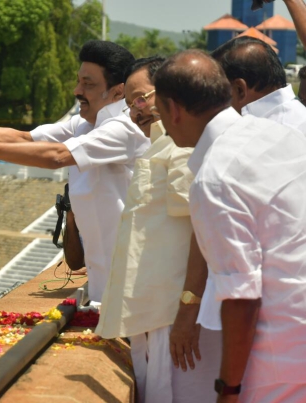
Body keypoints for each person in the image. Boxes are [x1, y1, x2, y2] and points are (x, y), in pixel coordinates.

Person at [0, 41, 150, 304]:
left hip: (132, 289)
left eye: (88, 84)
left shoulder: (124, 128)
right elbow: (23, 138)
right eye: (78, 82)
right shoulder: (86, 124)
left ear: (118, 92)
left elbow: (56, 156)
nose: (77, 91)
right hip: (106, 285)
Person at [154, 49, 306, 402]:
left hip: (282, 355)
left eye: (159, 112)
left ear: (173, 110)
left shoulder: (215, 178)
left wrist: (228, 389)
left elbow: (242, 298)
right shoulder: (280, 135)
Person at [95, 56, 221, 403]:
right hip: (157, 314)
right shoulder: (162, 143)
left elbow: (203, 229)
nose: (136, 110)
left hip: (175, 315)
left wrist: (187, 310)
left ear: (168, 95)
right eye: (130, 103)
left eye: (142, 97)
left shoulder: (184, 145)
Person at [211, 36, 306, 134]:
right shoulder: (297, 117)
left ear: (240, 90)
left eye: (220, 92)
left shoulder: (271, 132)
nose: (217, 104)